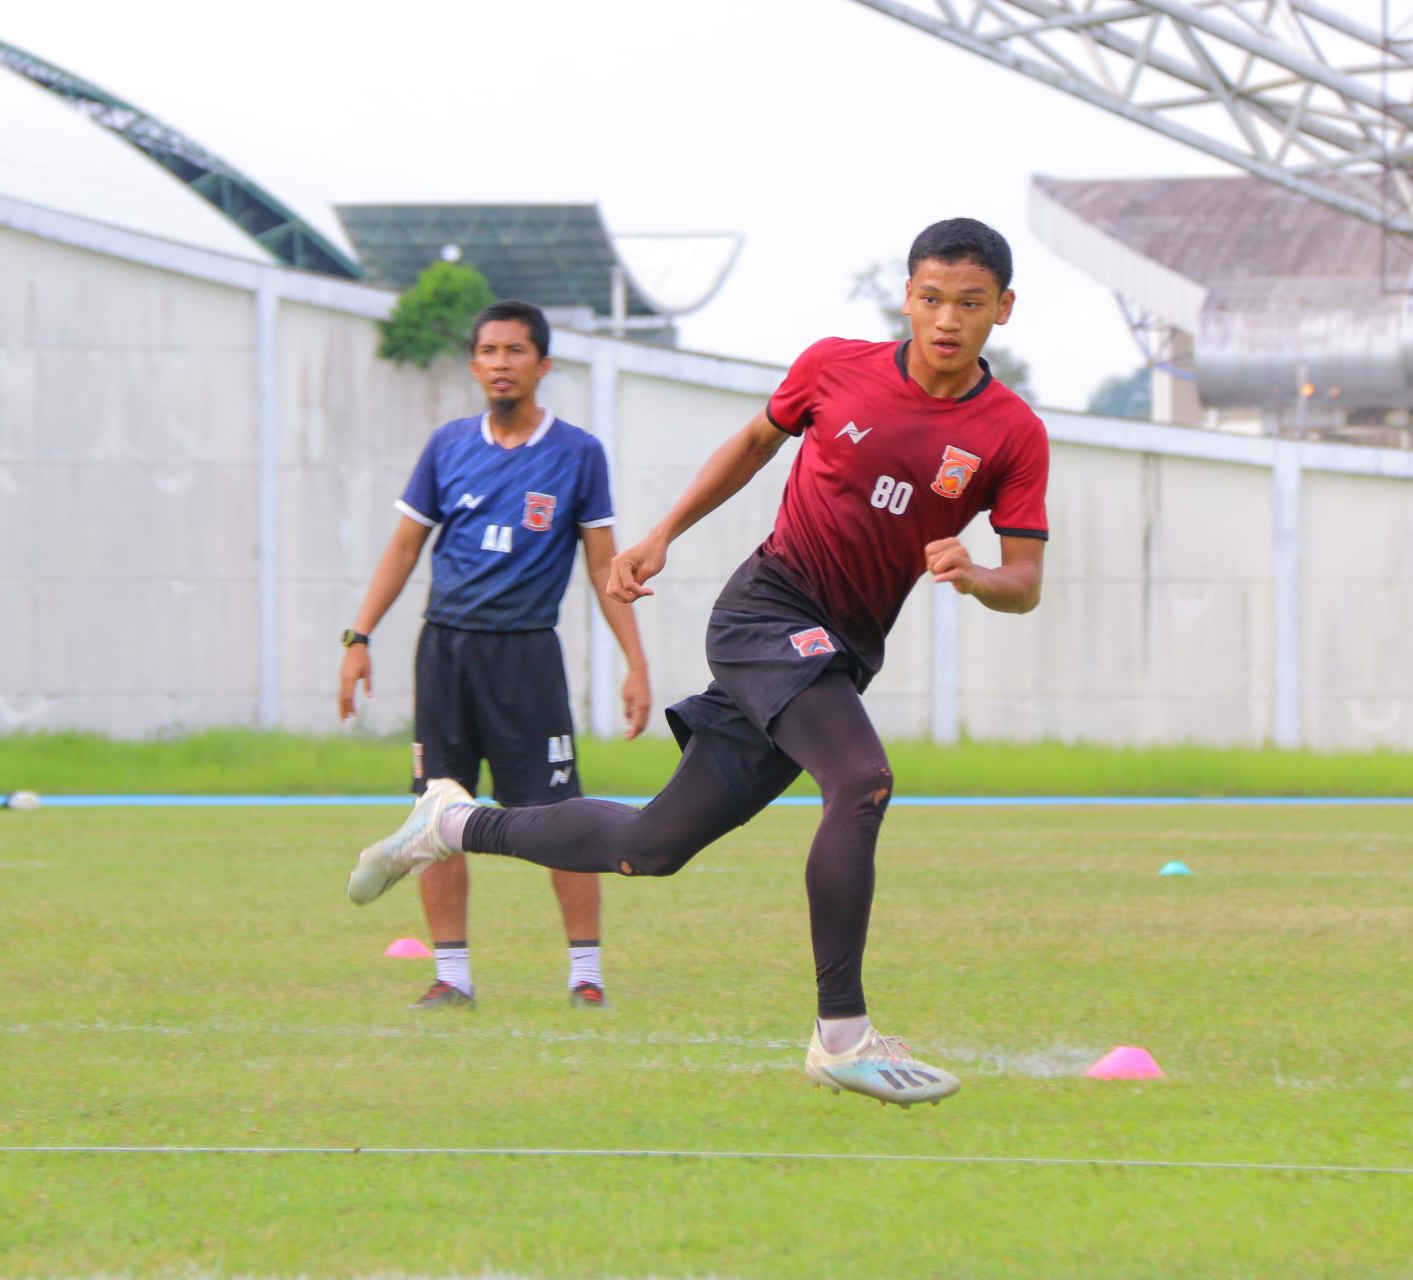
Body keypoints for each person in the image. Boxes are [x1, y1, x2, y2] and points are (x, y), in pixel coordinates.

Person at [348, 219, 1049, 1106]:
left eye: (970, 304)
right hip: (769, 611)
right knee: (861, 780)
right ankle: (841, 1035)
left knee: (653, 846)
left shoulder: (1011, 431)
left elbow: (1024, 580)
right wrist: (661, 535)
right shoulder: (834, 366)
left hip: (839, 651)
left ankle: (449, 824)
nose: (947, 319)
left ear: (1004, 311)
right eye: (931, 298)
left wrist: (978, 573)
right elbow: (754, 447)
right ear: (907, 298)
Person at [339, 298, 651, 1010]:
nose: (500, 363)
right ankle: (451, 978)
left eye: (515, 351)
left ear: (542, 365)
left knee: (563, 817)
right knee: (435, 814)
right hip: (445, 653)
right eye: (488, 351)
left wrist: (635, 662)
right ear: (475, 363)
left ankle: (586, 976)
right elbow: (403, 547)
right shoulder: (447, 446)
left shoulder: (578, 454)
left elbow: (605, 569)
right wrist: (358, 638)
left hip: (527, 657)